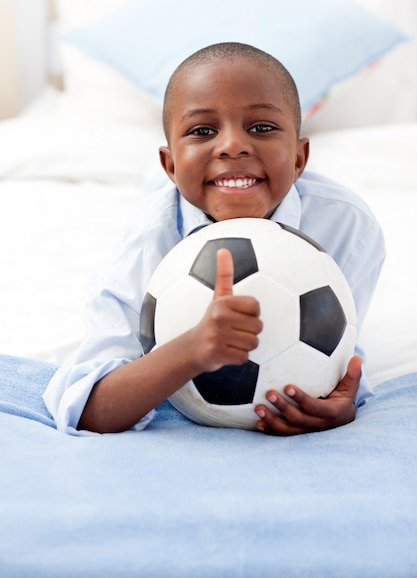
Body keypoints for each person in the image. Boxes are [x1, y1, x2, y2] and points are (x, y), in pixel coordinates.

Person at [43, 42, 385, 436]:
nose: (232, 146)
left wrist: (343, 405)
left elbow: (338, 359)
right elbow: (84, 407)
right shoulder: (150, 241)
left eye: (261, 127)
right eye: (203, 130)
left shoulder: (347, 226)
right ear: (170, 165)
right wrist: (191, 349)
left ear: (299, 159)